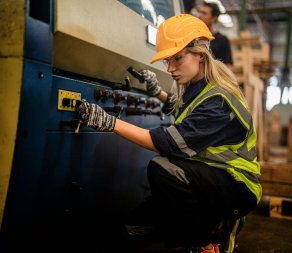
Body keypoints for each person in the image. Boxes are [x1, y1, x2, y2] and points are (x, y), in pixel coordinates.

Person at [77, 14, 261, 253]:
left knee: (163, 168)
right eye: (167, 61)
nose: (171, 68)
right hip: (208, 174)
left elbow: (166, 142)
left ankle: (208, 240)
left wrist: (110, 122)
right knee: (134, 228)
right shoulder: (200, 87)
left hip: (236, 185)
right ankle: (205, 222)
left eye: (178, 58)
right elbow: (186, 113)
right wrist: (157, 92)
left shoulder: (219, 102)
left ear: (200, 55)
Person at [198, 1, 233, 66]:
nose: (200, 15)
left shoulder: (222, 40)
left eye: (204, 13)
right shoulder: (194, 38)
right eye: (199, 12)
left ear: (214, 18)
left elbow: (227, 65)